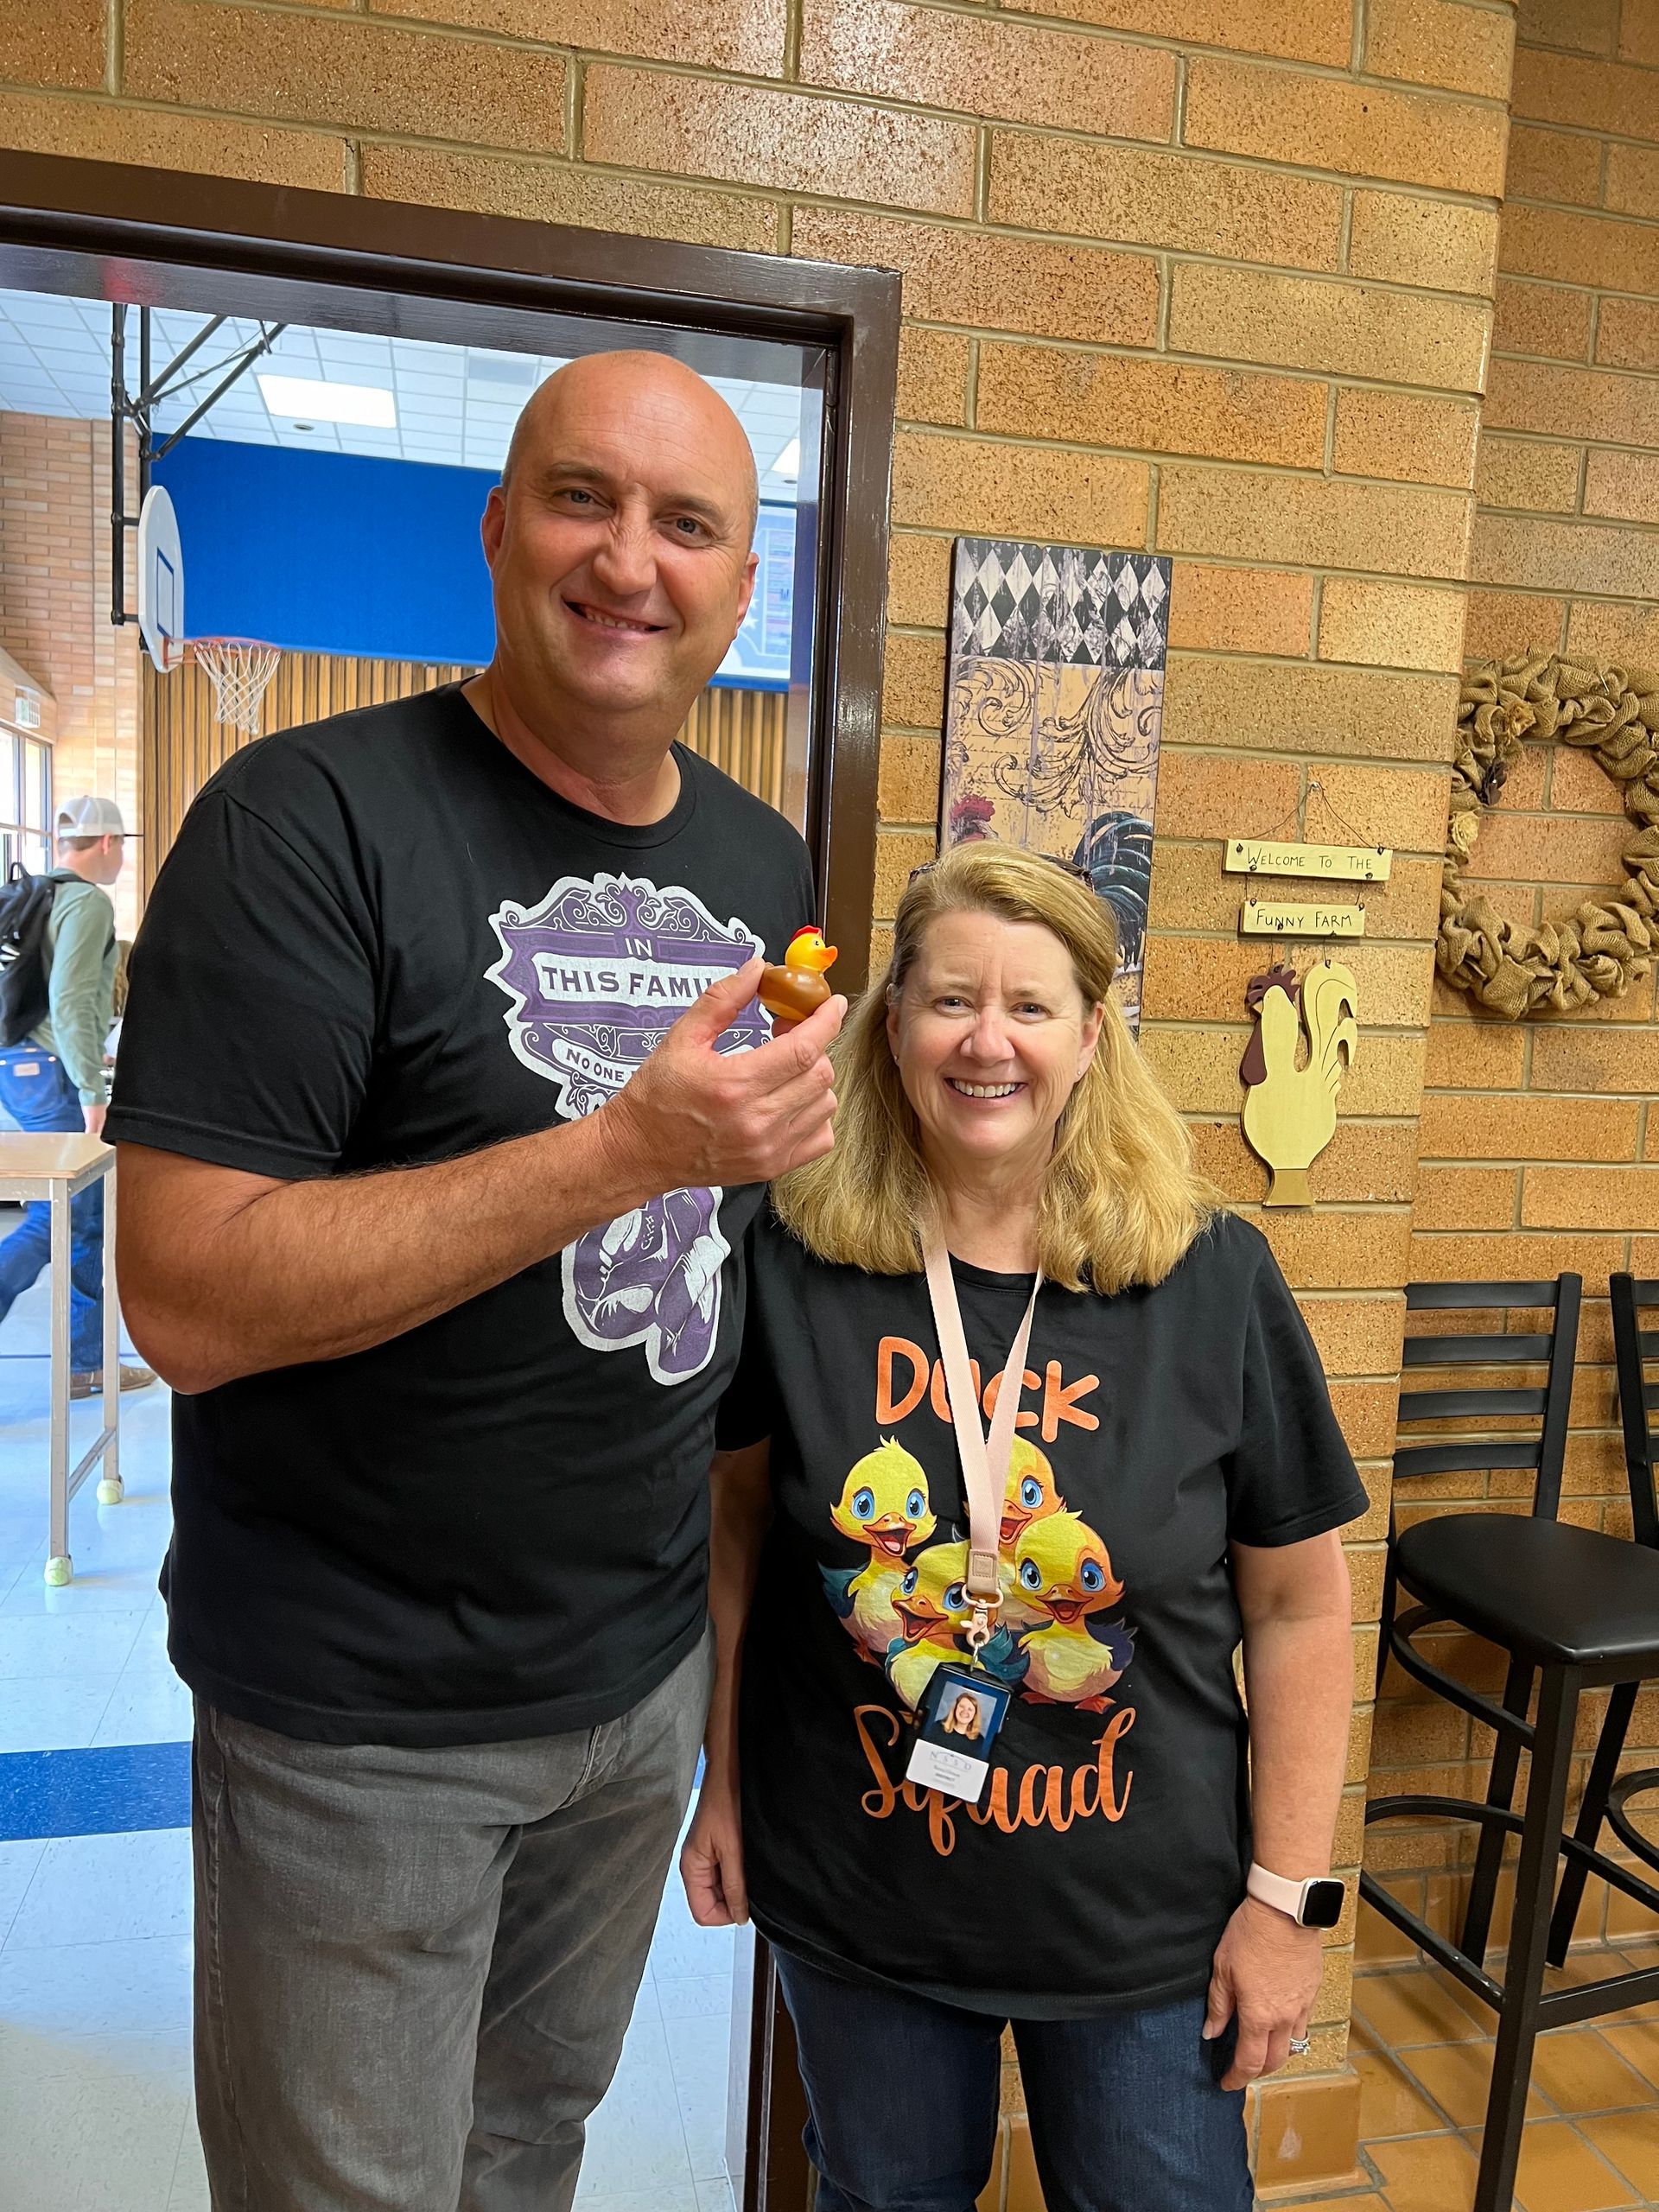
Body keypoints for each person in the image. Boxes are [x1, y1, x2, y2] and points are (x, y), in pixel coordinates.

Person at [105, 351, 844, 2212]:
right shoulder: (300, 822)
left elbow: (740, 1271)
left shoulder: (766, 866)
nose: (632, 560)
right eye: (584, 499)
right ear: (497, 524)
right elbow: (184, 1296)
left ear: (744, 589)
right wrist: (628, 1147)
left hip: (633, 1680)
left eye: (690, 524)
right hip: (358, 1720)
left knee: (524, 2156)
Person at [683, 842, 1366, 2212]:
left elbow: (1301, 1607)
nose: (986, 1041)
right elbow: (739, 1537)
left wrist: (1286, 1898)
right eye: (947, 1000)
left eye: (1032, 1006)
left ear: (1091, 1036)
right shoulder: (795, 1254)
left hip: (1142, 1933)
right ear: (892, 1025)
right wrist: (725, 1782)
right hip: (861, 1895)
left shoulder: (1208, 1273)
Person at [0, 795, 154, 1397]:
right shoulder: (88, 901)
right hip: (53, 1074)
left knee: (76, 1216)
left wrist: (90, 1053)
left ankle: (87, 1363)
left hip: (20, 1064)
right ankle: (87, 1366)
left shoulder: (40, 893)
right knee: (69, 1216)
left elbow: (63, 1004)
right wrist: (93, 1088)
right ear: (111, 844)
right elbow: (69, 999)